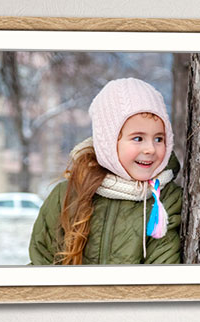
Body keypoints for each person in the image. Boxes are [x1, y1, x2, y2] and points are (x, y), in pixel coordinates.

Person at [29, 77, 182, 265]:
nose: (150, 149)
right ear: (109, 143)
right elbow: (41, 263)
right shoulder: (67, 195)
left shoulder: (167, 200)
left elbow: (162, 276)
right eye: (138, 138)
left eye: (159, 139)